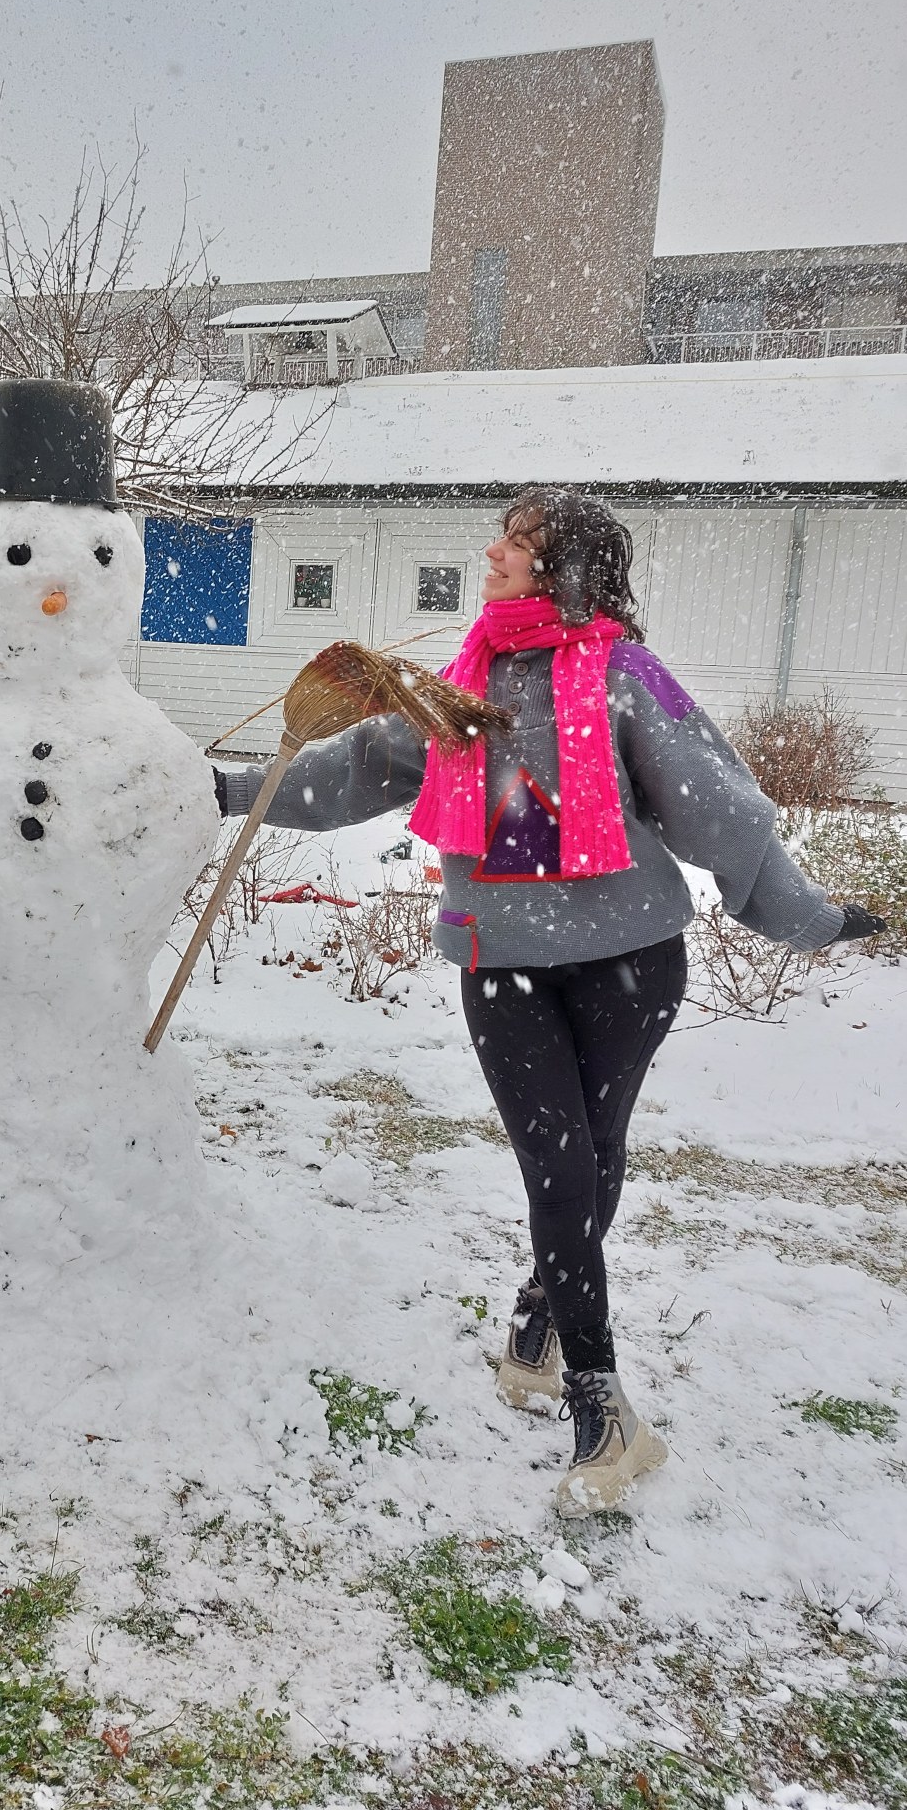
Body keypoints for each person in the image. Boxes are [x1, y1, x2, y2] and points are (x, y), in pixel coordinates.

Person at [217, 487, 882, 1514]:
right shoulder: (461, 687)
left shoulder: (623, 675)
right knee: (560, 1164)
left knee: (595, 1153)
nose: (494, 552)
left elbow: (719, 809)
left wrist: (807, 917)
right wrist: (226, 790)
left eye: (518, 543)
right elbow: (360, 770)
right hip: (505, 962)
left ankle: (539, 1322)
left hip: (632, 961)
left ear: (564, 568)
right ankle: (602, 1408)